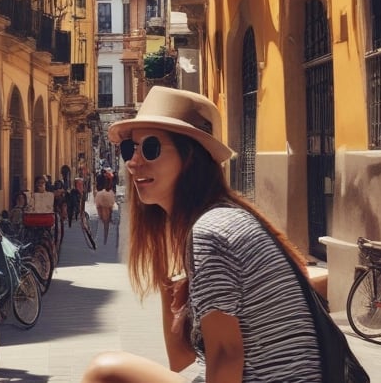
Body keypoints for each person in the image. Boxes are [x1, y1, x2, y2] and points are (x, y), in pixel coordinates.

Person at [81, 87, 322, 382]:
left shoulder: (213, 231)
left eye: (151, 148)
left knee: (105, 371)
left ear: (190, 158)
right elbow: (181, 358)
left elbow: (225, 355)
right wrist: (170, 267)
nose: (133, 162)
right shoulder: (214, 220)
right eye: (130, 149)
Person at [93, 177, 116, 246]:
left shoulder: (106, 192)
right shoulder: (108, 192)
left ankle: (104, 239)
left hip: (104, 204)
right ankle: (104, 239)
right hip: (104, 204)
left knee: (105, 224)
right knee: (105, 224)